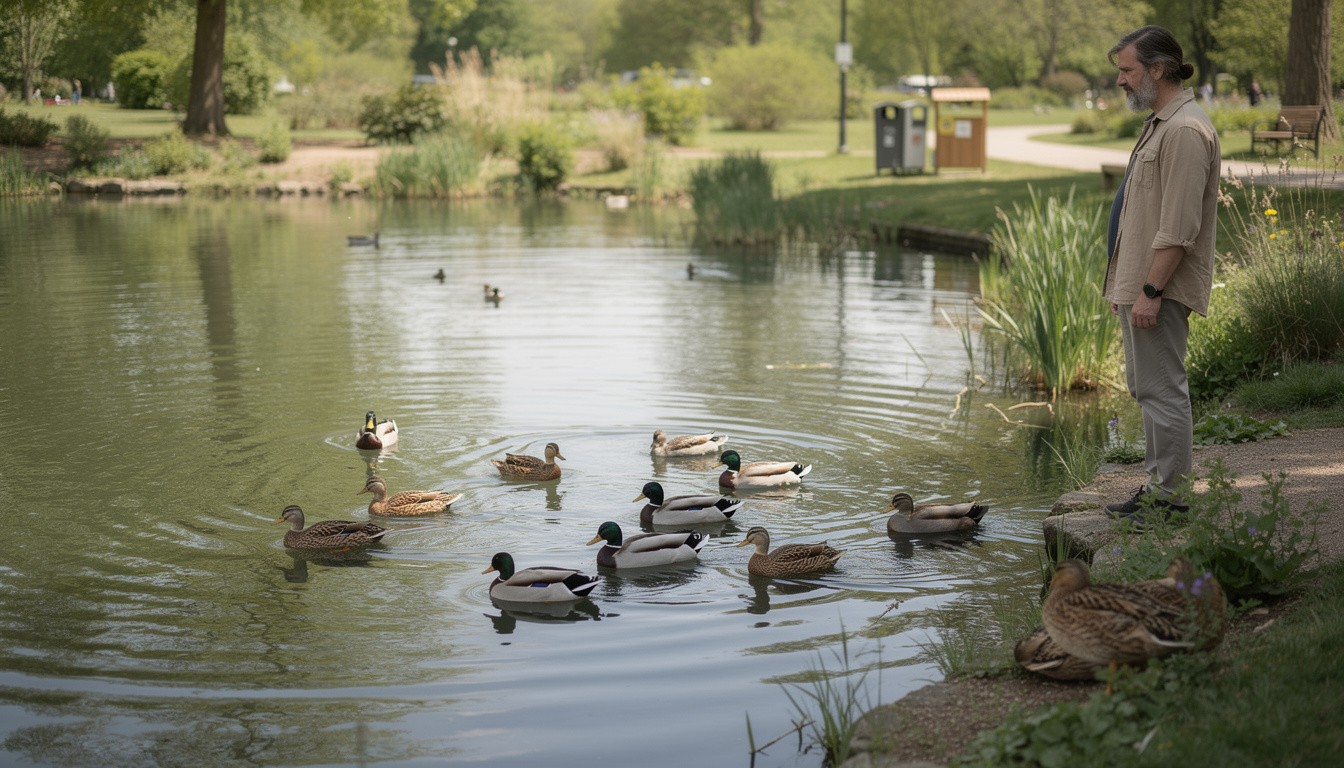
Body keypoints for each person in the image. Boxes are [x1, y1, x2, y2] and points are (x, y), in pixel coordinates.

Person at [1101, 25, 1220, 528]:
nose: (1122, 81)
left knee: (1163, 389)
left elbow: (1178, 227)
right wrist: (1125, 288)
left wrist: (1150, 291)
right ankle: (1157, 489)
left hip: (1159, 289)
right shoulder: (1160, 122)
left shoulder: (1186, 130)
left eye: (1128, 70)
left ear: (1157, 69)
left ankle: (1169, 501)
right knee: (1146, 386)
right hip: (1140, 285)